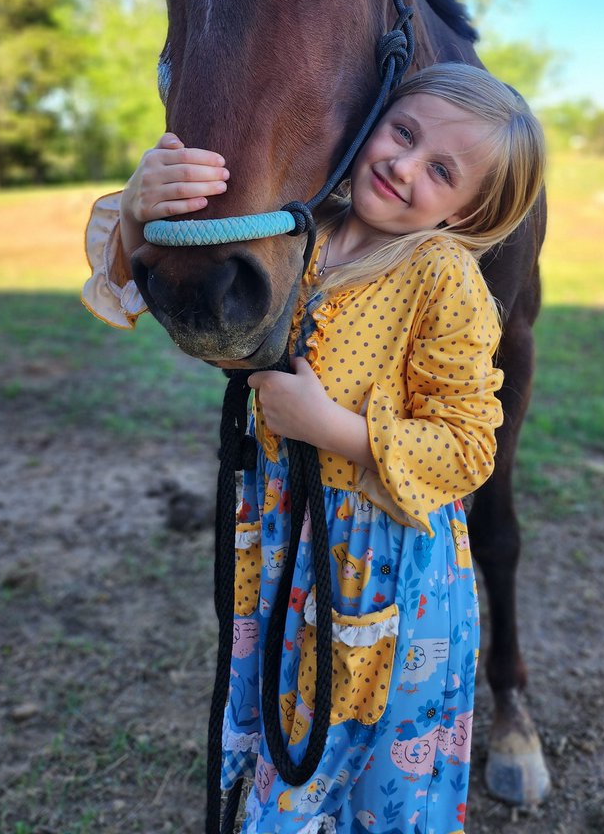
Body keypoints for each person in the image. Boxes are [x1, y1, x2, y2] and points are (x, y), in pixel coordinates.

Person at [82, 62, 545, 834]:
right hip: (286, 540)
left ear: (470, 210)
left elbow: (467, 448)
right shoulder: (300, 231)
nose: (402, 165)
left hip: (382, 567)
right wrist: (138, 214)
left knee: (378, 772)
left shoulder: (443, 278)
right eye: (403, 132)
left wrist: (330, 427)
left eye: (441, 170)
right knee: (288, 722)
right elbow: (206, 323)